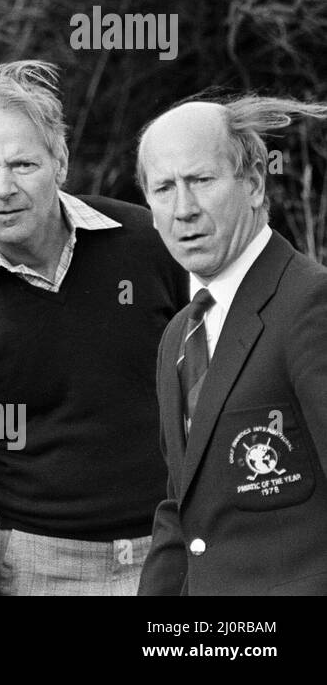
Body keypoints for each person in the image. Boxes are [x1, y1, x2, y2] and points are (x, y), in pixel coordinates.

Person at [0, 60, 187, 595]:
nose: (4, 188)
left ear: (59, 161)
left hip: (175, 552)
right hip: (43, 570)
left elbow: (220, 375)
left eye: (23, 164)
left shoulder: (149, 244)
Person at [136, 96, 327, 595]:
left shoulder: (311, 303)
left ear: (255, 185)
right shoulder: (178, 336)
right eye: (164, 188)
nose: (184, 209)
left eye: (201, 180)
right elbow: (183, 515)